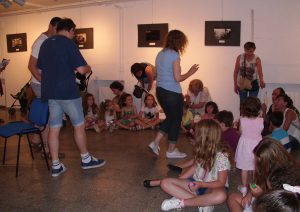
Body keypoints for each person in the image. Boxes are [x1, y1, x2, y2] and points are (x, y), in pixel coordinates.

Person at [37, 18, 105, 177]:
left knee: (54, 128)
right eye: (74, 32)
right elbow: (81, 70)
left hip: (51, 93)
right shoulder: (68, 43)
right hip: (67, 92)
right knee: (78, 125)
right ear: (71, 30)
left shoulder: (45, 44)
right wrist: (89, 67)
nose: (74, 35)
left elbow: (40, 71)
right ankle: (86, 159)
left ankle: (55, 165)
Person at [145, 119, 231, 212]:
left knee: (221, 196)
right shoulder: (201, 150)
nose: (194, 134)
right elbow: (194, 167)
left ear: (205, 137)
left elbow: (221, 183)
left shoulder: (222, 157)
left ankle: (182, 202)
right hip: (195, 183)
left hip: (212, 187)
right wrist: (180, 179)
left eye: (197, 133)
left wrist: (202, 184)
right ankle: (203, 202)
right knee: (165, 183)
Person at [148, 29, 199, 159]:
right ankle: (171, 150)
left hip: (161, 91)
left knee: (171, 118)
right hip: (171, 92)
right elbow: (177, 78)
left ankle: (155, 143)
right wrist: (190, 72)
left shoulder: (160, 53)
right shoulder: (174, 55)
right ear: (179, 41)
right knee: (176, 120)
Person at [227, 138, 296, 212]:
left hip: (272, 206)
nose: (256, 164)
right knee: (232, 197)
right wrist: (249, 194)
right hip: (263, 200)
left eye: (260, 162)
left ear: (270, 162)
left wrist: (260, 195)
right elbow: (254, 183)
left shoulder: (284, 179)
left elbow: (274, 206)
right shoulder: (265, 168)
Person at [27, 17, 62, 155]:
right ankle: (47, 149)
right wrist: (44, 82)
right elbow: (31, 66)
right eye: (57, 29)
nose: (58, 33)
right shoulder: (40, 42)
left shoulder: (50, 40)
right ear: (51, 26)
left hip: (44, 84)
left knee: (43, 114)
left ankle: (36, 141)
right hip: (40, 84)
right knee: (50, 116)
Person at [235, 96, 263, 197]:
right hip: (257, 146)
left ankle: (244, 187)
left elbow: (241, 132)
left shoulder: (242, 120)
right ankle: (255, 186)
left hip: (245, 145)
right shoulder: (261, 120)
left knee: (244, 167)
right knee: (256, 167)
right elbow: (260, 131)